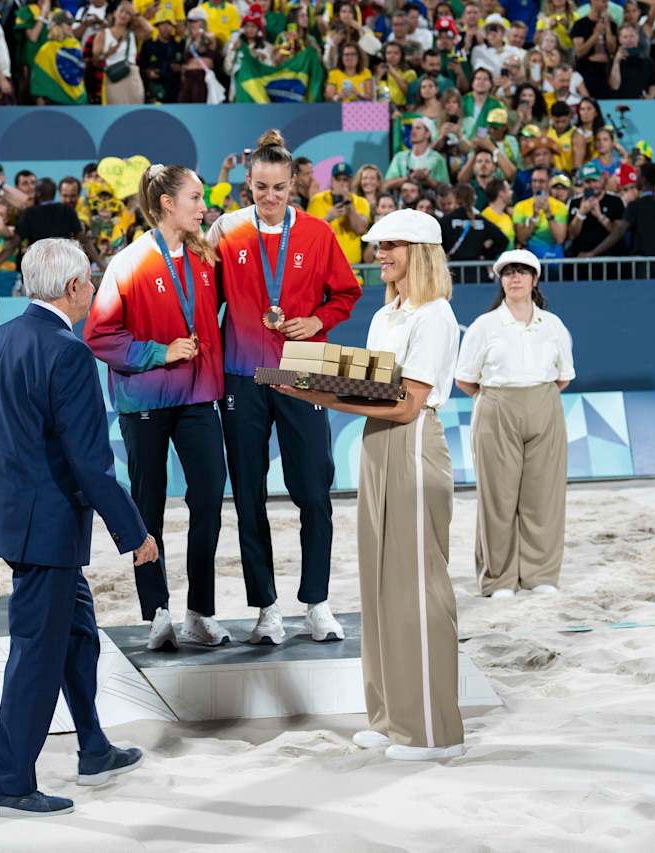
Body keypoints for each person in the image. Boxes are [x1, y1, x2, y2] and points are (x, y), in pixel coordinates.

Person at [0, 238, 154, 819]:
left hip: (10, 522)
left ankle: (95, 748)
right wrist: (134, 533)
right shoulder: (68, 352)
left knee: (78, 634)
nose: (93, 289)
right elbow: (90, 461)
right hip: (46, 529)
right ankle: (6, 782)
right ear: (76, 287)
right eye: (91, 282)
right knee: (36, 653)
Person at [273, 208, 463, 761]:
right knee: (381, 586)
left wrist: (314, 394)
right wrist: (310, 376)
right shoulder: (388, 314)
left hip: (411, 443)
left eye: (391, 247)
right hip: (376, 446)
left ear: (420, 252)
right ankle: (390, 716)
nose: (379, 255)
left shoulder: (436, 316)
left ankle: (432, 730)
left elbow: (406, 406)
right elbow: (372, 389)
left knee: (417, 588)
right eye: (379, 246)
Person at [206, 129, 362, 645]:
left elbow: (346, 293)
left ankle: (316, 603)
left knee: (314, 492)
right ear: (247, 184)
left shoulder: (318, 233)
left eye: (278, 187)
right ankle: (266, 608)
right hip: (244, 374)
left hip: (302, 371)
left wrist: (318, 322)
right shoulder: (226, 231)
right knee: (249, 494)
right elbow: (205, 300)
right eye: (260, 188)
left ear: (294, 183)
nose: (269, 198)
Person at [83, 164, 228, 650]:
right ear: (168, 203)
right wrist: (158, 352)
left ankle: (200, 611)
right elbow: (98, 334)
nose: (203, 205)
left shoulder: (207, 257)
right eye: (195, 197)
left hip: (200, 396)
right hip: (144, 400)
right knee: (148, 508)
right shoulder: (128, 263)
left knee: (208, 501)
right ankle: (157, 612)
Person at [455, 249, 573, 597]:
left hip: (544, 404)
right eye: (508, 273)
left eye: (522, 272)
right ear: (500, 279)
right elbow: (465, 379)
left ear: (534, 279)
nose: (516, 278)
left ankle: (540, 575)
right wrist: (498, 401)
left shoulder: (552, 325)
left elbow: (563, 376)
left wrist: (535, 396)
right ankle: (499, 578)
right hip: (496, 406)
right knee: (499, 497)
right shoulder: (484, 325)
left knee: (543, 496)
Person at [307, 162, 371, 267]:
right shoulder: (317, 200)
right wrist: (328, 218)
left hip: (352, 269)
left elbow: (360, 229)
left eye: (345, 180)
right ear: (332, 181)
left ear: (351, 181)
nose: (342, 183)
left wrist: (349, 205)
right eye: (338, 179)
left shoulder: (361, 202)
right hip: (325, 266)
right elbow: (309, 233)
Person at [385, 118, 450, 193]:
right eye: (412, 128)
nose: (413, 131)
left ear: (427, 134)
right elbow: (387, 184)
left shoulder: (437, 159)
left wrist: (427, 179)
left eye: (418, 128)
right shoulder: (400, 157)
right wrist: (409, 177)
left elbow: (446, 189)